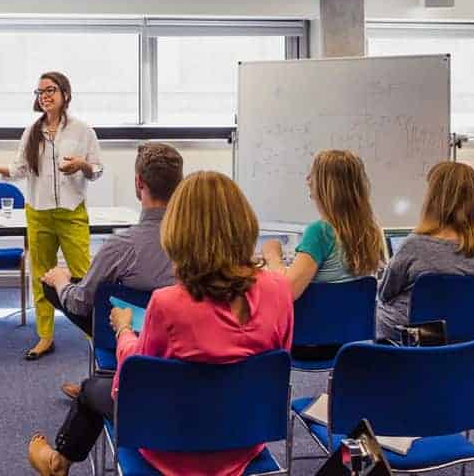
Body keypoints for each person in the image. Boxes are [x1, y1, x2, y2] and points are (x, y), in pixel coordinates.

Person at [27, 172, 294, 476]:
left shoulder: (169, 303)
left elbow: (129, 382)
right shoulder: (279, 290)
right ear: (245, 223)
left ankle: (57, 462)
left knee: (92, 389)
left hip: (171, 447)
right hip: (244, 440)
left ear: (178, 229)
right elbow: (275, 366)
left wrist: (124, 330)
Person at [41, 142, 181, 399]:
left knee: (57, 286)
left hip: (130, 332)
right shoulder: (200, 244)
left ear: (139, 183)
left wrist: (61, 281)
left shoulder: (120, 247)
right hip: (185, 339)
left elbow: (80, 304)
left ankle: (106, 378)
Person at [0, 71, 103, 360]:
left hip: (72, 213)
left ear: (65, 95)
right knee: (41, 276)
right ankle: (45, 337)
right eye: (40, 92)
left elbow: (97, 170)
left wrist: (82, 164)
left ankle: (94, 336)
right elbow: (20, 169)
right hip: (38, 213)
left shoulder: (82, 131)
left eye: (50, 90)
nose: (44, 96)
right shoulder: (32, 131)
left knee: (84, 276)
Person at [262, 149, 386, 300]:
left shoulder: (320, 232)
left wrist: (272, 255)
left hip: (314, 323)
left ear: (327, 185)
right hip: (354, 323)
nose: (308, 179)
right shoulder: (371, 231)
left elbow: (288, 291)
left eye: (313, 174)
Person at [377, 161, 474, 341]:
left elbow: (385, 293)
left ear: (433, 200)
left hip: (417, 342)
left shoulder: (415, 245)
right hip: (469, 342)